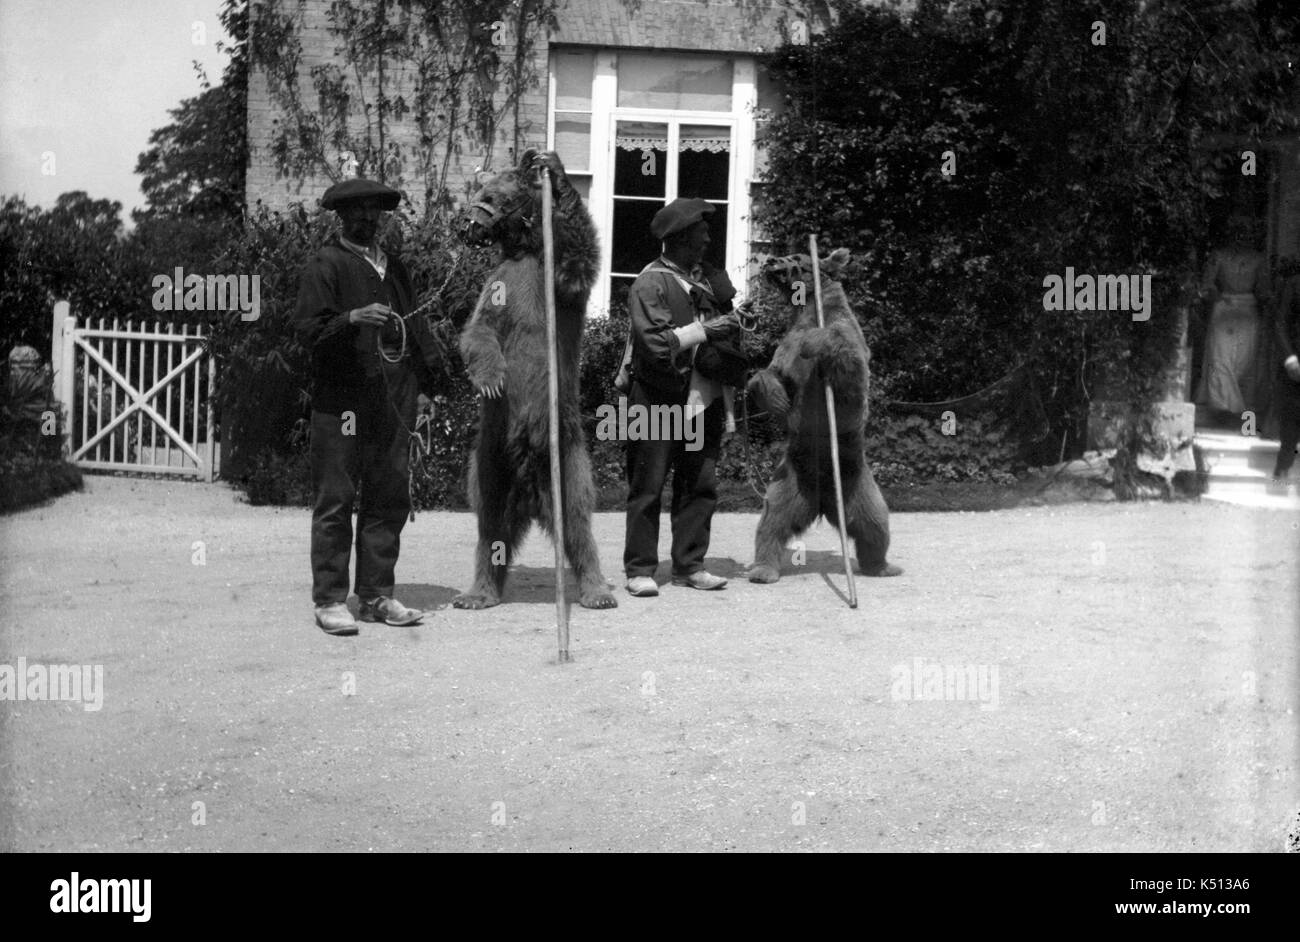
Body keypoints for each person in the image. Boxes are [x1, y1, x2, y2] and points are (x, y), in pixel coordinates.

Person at [294, 178, 432, 635]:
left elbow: (417, 328)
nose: (367, 219)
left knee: (389, 494)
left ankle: (376, 595)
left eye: (374, 212)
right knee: (336, 497)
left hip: (392, 398)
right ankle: (331, 600)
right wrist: (351, 318)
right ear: (340, 216)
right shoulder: (326, 264)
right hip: (342, 400)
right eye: (357, 212)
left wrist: (429, 387)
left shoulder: (396, 269)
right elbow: (307, 333)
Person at [620, 198, 746, 597]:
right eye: (701, 232)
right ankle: (640, 570)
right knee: (647, 486)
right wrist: (708, 330)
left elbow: (726, 330)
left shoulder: (709, 281)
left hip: (700, 402)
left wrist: (738, 325)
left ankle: (690, 565)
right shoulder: (650, 282)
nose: (708, 238)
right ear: (680, 238)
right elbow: (657, 344)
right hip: (655, 400)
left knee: (699, 484)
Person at [1194, 217, 1272, 423]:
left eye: (1245, 233)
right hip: (1223, 308)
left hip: (1248, 311)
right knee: (1220, 357)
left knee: (1245, 361)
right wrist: (1217, 297)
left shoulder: (1259, 259)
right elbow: (1206, 286)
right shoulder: (1218, 256)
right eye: (1237, 232)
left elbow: (1264, 290)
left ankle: (1242, 413)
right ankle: (1222, 407)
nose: (1241, 237)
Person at [1273, 271, 1300, 481]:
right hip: (1296, 364)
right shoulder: (1295, 283)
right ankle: (1281, 473)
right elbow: (1280, 323)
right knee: (1291, 419)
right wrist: (1290, 358)